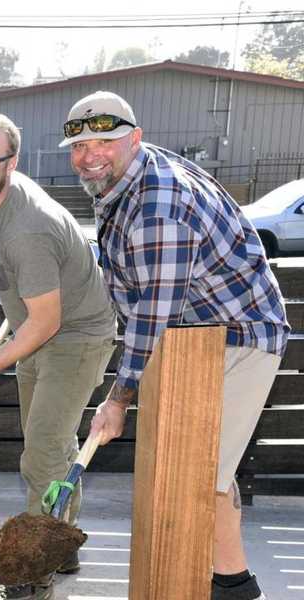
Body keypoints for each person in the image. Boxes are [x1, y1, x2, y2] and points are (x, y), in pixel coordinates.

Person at [63, 91, 289, 600]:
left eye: (103, 141)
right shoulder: (126, 179)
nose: (88, 155)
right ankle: (232, 582)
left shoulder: (158, 206)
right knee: (206, 470)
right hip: (195, 341)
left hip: (237, 338)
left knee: (198, 474)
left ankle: (219, 587)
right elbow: (135, 290)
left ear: (134, 138)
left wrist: (118, 399)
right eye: (77, 146)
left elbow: (154, 315)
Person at [0, 113, 117, 600]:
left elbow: (48, 322)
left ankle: (31, 575)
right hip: (38, 329)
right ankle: (62, 543)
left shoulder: (28, 228)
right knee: (54, 441)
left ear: (12, 162)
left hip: (76, 334)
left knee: (42, 452)